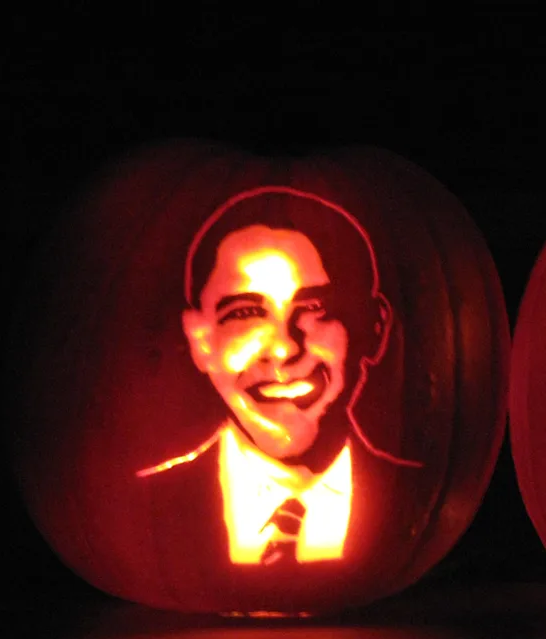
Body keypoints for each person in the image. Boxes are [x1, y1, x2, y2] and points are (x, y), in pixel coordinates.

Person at [135, 187, 422, 603]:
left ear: (375, 327)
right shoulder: (144, 516)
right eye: (246, 313)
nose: (285, 348)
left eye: (315, 308)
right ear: (199, 341)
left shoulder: (419, 504)